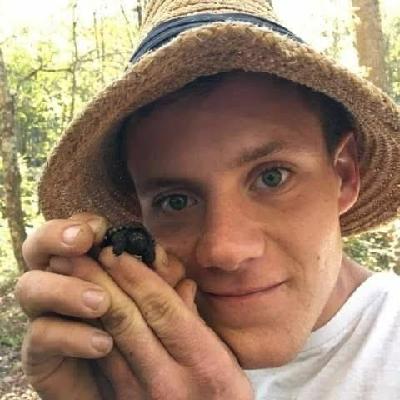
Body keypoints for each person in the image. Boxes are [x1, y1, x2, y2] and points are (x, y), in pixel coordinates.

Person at [14, 1, 400, 399]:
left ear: (345, 175)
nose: (224, 250)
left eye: (272, 177)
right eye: (176, 202)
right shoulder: (131, 360)